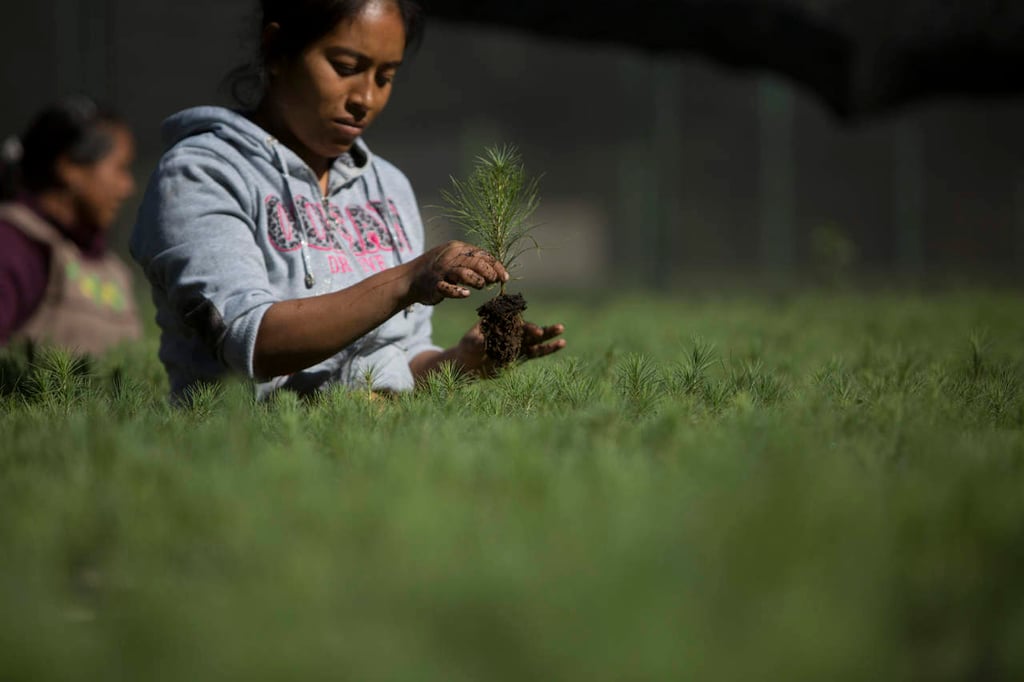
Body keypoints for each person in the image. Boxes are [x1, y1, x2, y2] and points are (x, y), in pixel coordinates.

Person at [130, 0, 565, 402]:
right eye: (344, 67)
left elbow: (401, 363)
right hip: (255, 458)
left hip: (383, 459)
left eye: (385, 76)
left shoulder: (386, 187)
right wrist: (407, 279)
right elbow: (252, 342)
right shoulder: (203, 173)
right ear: (277, 49)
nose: (366, 99)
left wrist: (461, 362)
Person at [0, 96, 142, 354]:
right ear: (70, 169)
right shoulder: (14, 247)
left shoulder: (111, 267)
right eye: (120, 168)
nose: (128, 187)